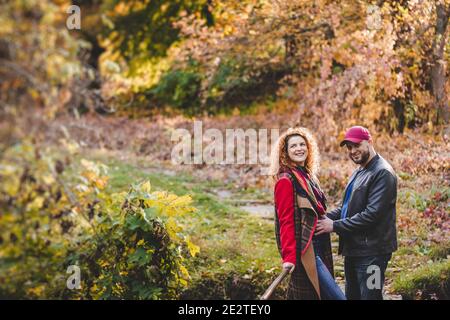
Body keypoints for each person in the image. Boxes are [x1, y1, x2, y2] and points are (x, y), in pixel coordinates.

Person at [316, 126, 398, 300]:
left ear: (369, 142)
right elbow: (347, 207)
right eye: (349, 147)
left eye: (356, 145)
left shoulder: (382, 172)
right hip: (354, 251)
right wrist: (325, 217)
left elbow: (372, 215)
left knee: (371, 297)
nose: (352, 151)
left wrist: (334, 226)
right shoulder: (360, 170)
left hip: (373, 254)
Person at [269, 127, 345, 300]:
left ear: (308, 148)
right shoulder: (285, 181)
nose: (299, 148)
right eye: (293, 146)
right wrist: (288, 257)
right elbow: (285, 221)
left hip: (319, 244)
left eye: (302, 144)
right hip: (305, 250)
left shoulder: (307, 176)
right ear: (285, 153)